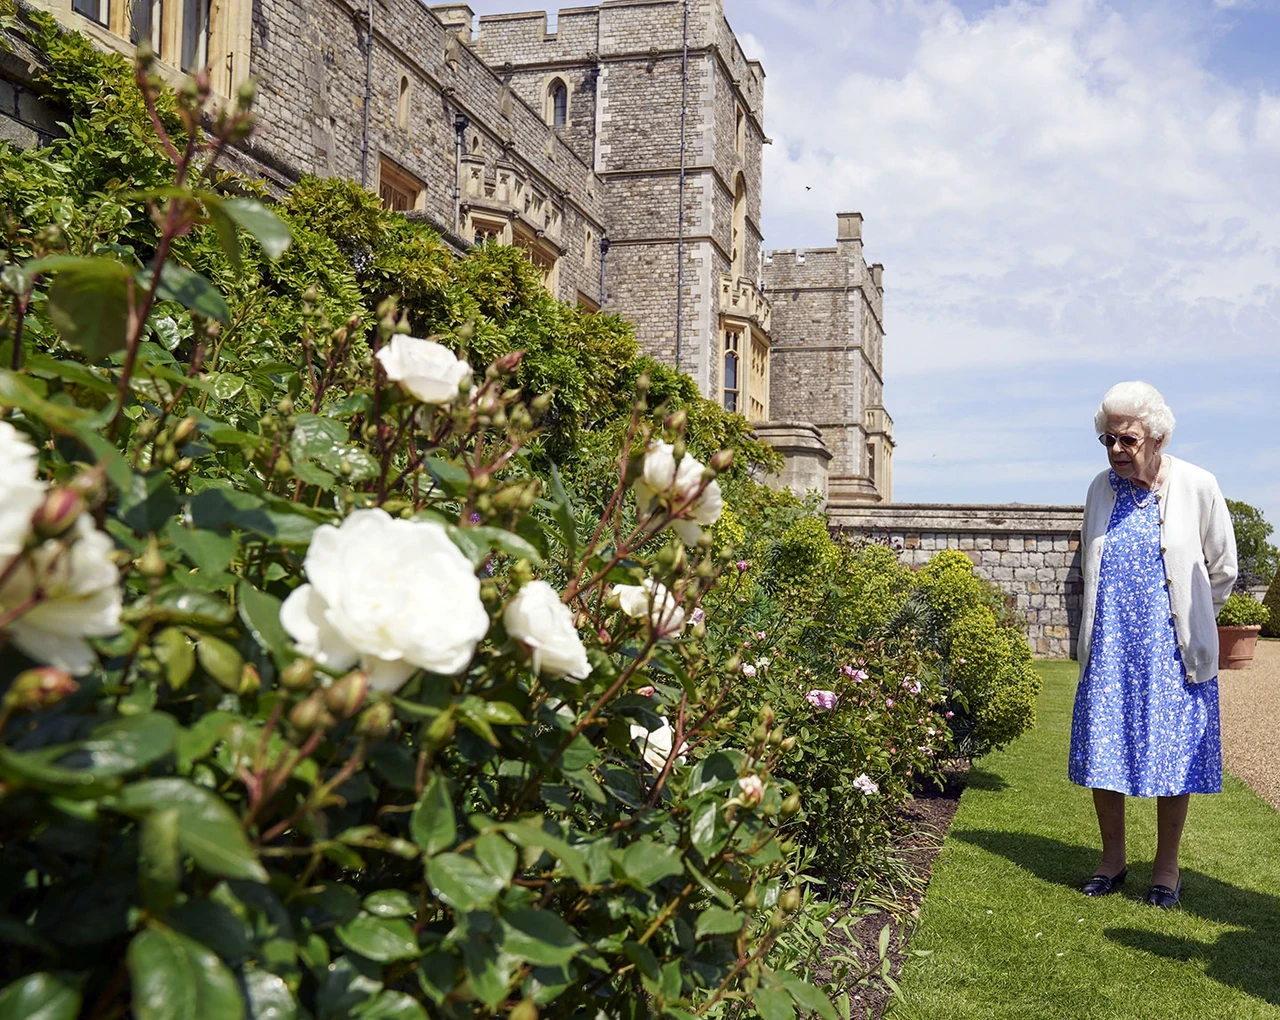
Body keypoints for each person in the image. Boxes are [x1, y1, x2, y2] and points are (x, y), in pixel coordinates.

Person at [1068, 381, 1237, 909]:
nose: (1117, 450)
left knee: (1173, 758)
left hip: (1171, 652)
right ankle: (1112, 859)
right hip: (1111, 646)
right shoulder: (1100, 489)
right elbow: (1089, 564)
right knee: (1104, 751)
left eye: (1128, 439)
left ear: (1157, 437)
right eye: (1108, 439)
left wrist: (1190, 619)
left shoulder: (1198, 485)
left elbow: (1223, 569)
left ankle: (1166, 867)